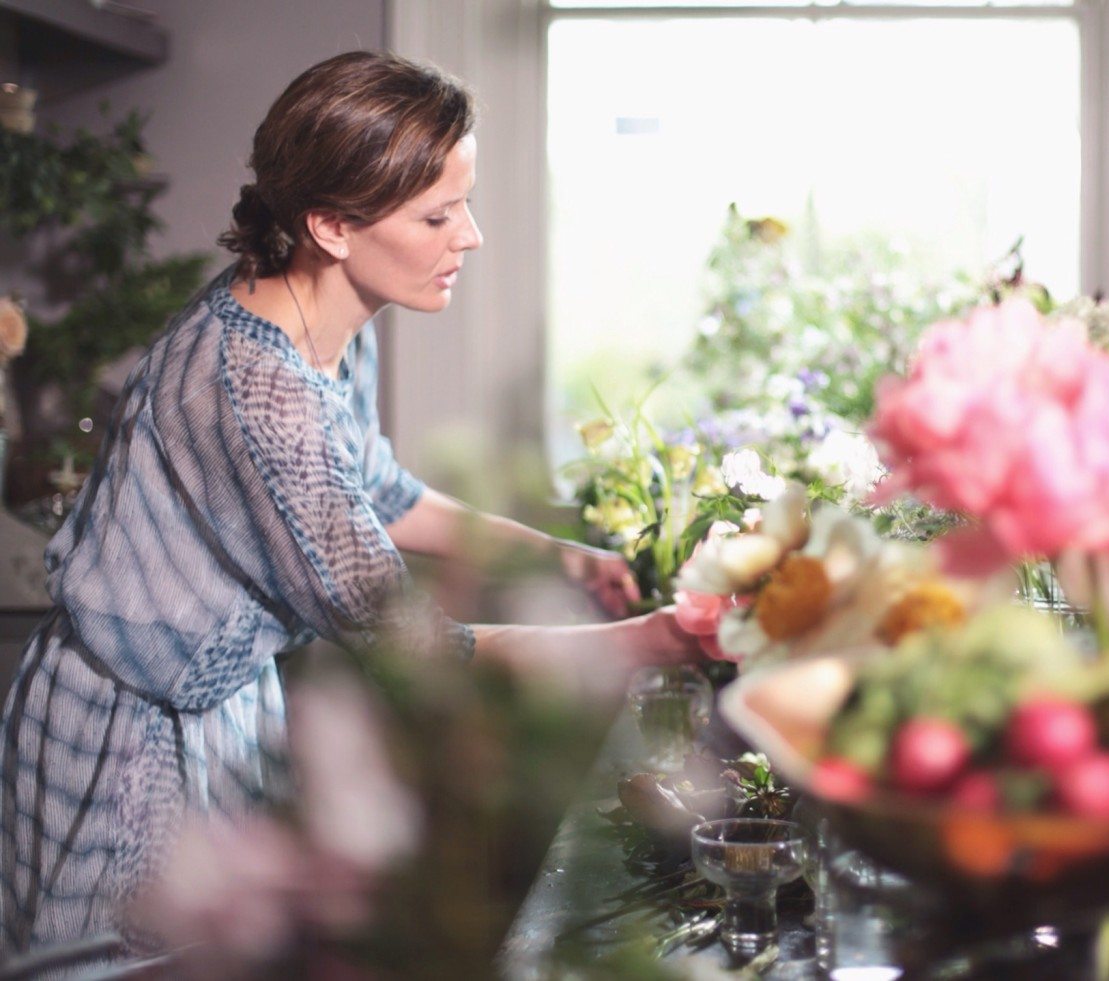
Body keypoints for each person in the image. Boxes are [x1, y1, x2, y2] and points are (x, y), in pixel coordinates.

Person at [0, 50, 694, 958]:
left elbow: (377, 490)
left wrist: (551, 551)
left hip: (225, 706)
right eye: (439, 214)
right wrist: (646, 640)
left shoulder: (326, 319)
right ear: (330, 223)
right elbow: (406, 640)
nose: (471, 236)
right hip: (127, 739)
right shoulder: (256, 387)